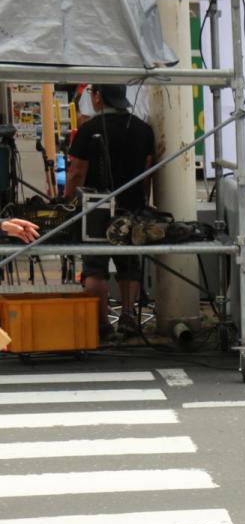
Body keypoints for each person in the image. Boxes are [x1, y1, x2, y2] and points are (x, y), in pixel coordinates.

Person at [64, 84, 155, 339]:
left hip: (95, 207)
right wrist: (141, 202)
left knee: (95, 266)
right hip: (132, 206)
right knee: (129, 263)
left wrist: (67, 201)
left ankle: (102, 324)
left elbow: (77, 172)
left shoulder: (89, 129)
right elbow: (148, 170)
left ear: (97, 97)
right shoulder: (143, 129)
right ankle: (128, 316)